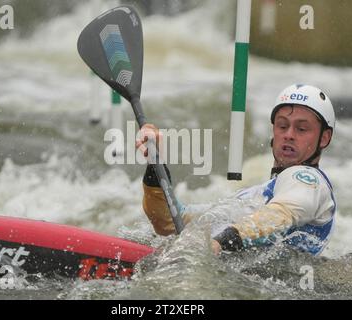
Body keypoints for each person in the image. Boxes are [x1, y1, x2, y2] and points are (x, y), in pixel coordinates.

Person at [136, 84, 336, 256]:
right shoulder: (258, 195)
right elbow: (170, 222)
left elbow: (281, 215)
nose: (289, 135)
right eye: (282, 126)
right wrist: (155, 165)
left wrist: (220, 243)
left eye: (301, 129)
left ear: (325, 138)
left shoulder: (308, 180)